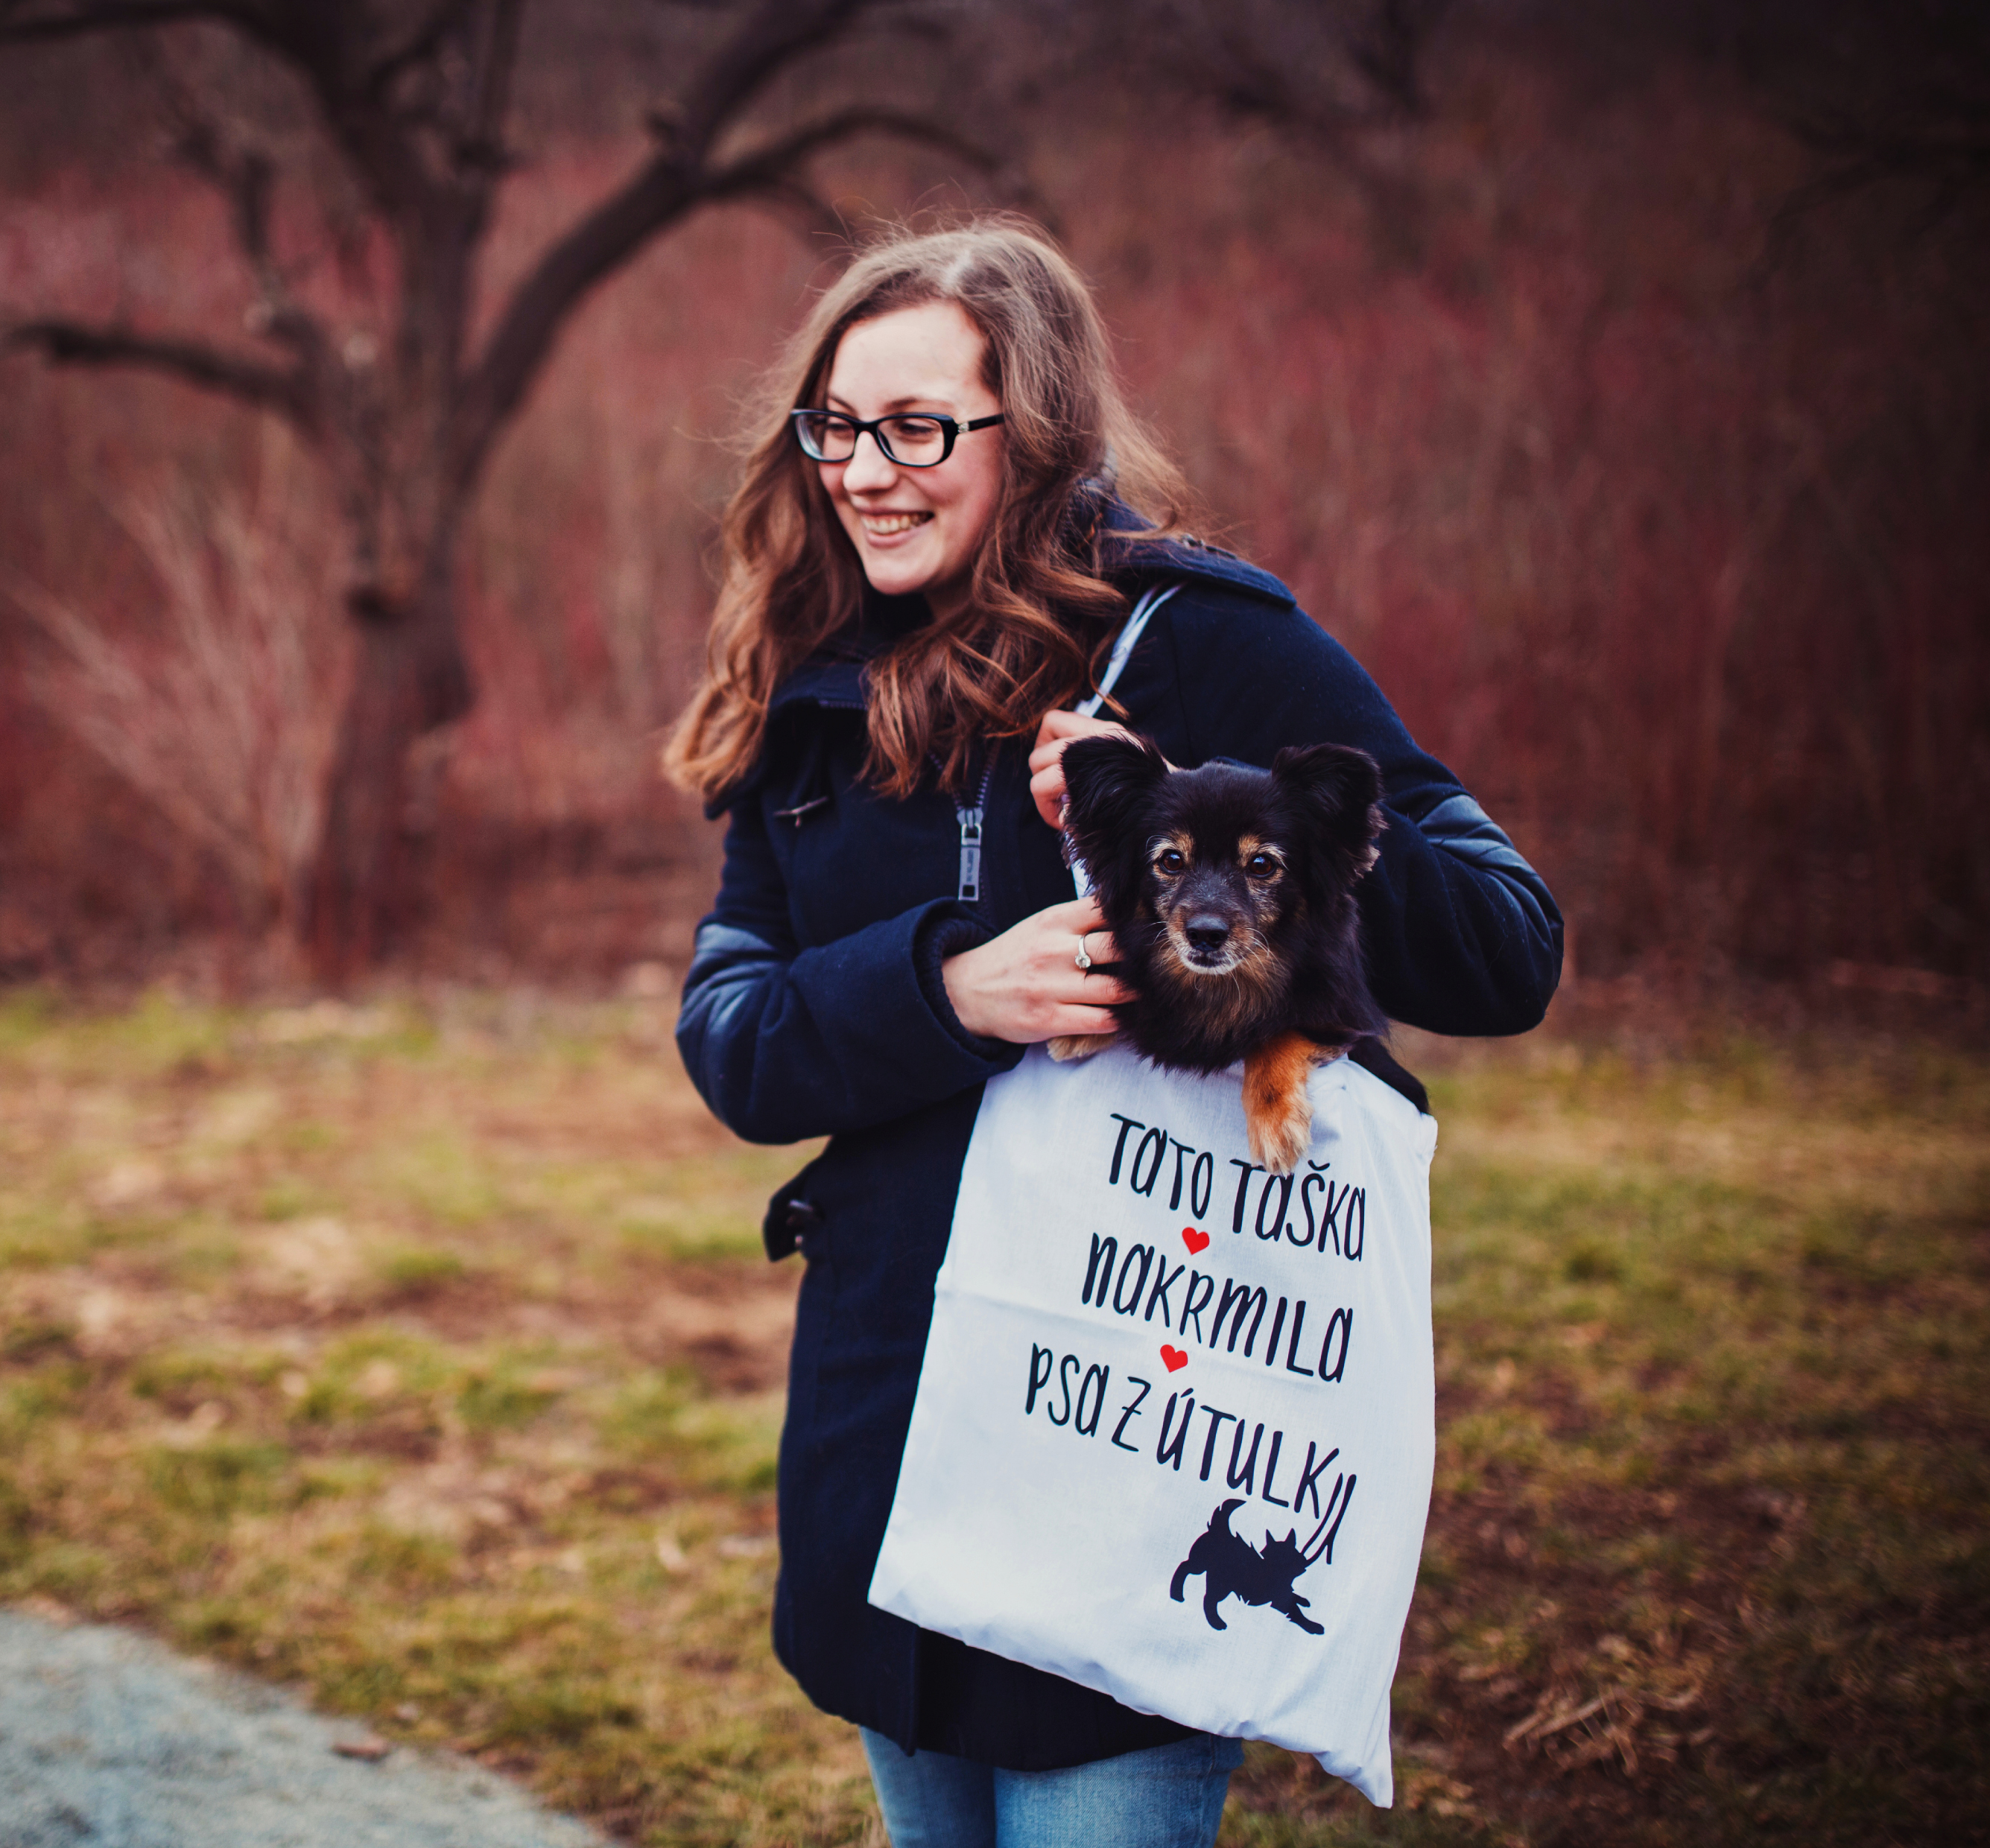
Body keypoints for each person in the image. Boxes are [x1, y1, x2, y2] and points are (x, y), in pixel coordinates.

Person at [662, 219, 1561, 1847]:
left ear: (1041, 431)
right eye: (834, 426)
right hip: (887, 1422)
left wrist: (1209, 796)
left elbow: (1506, 944)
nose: (864, 471)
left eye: (919, 427)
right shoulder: (807, 689)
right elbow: (734, 1036)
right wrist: (945, 988)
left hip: (1137, 1440)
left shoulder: (1205, 639)